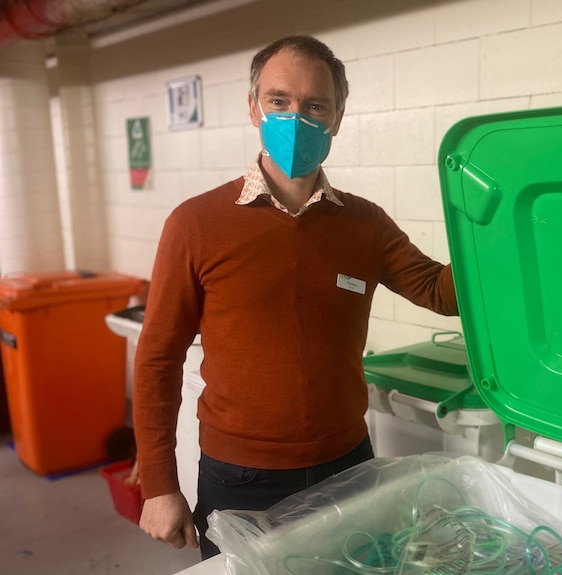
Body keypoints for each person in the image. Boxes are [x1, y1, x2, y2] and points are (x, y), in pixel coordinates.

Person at [133, 34, 459, 560]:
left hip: (349, 466)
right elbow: (157, 360)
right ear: (253, 107)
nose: (296, 118)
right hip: (240, 480)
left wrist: (504, 241)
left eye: (314, 106)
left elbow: (439, 292)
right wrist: (158, 485)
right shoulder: (195, 224)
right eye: (279, 101)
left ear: (338, 116)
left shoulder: (365, 223)